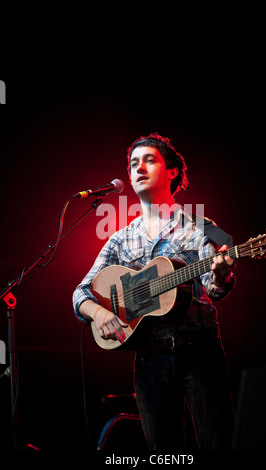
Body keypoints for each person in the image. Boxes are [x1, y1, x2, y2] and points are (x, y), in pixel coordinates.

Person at [73, 133, 236, 450]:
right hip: (149, 361)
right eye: (134, 163)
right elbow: (81, 292)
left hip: (199, 352)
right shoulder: (119, 239)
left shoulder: (201, 226)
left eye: (149, 160)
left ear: (172, 171)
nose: (139, 168)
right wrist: (100, 312)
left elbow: (215, 291)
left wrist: (221, 271)